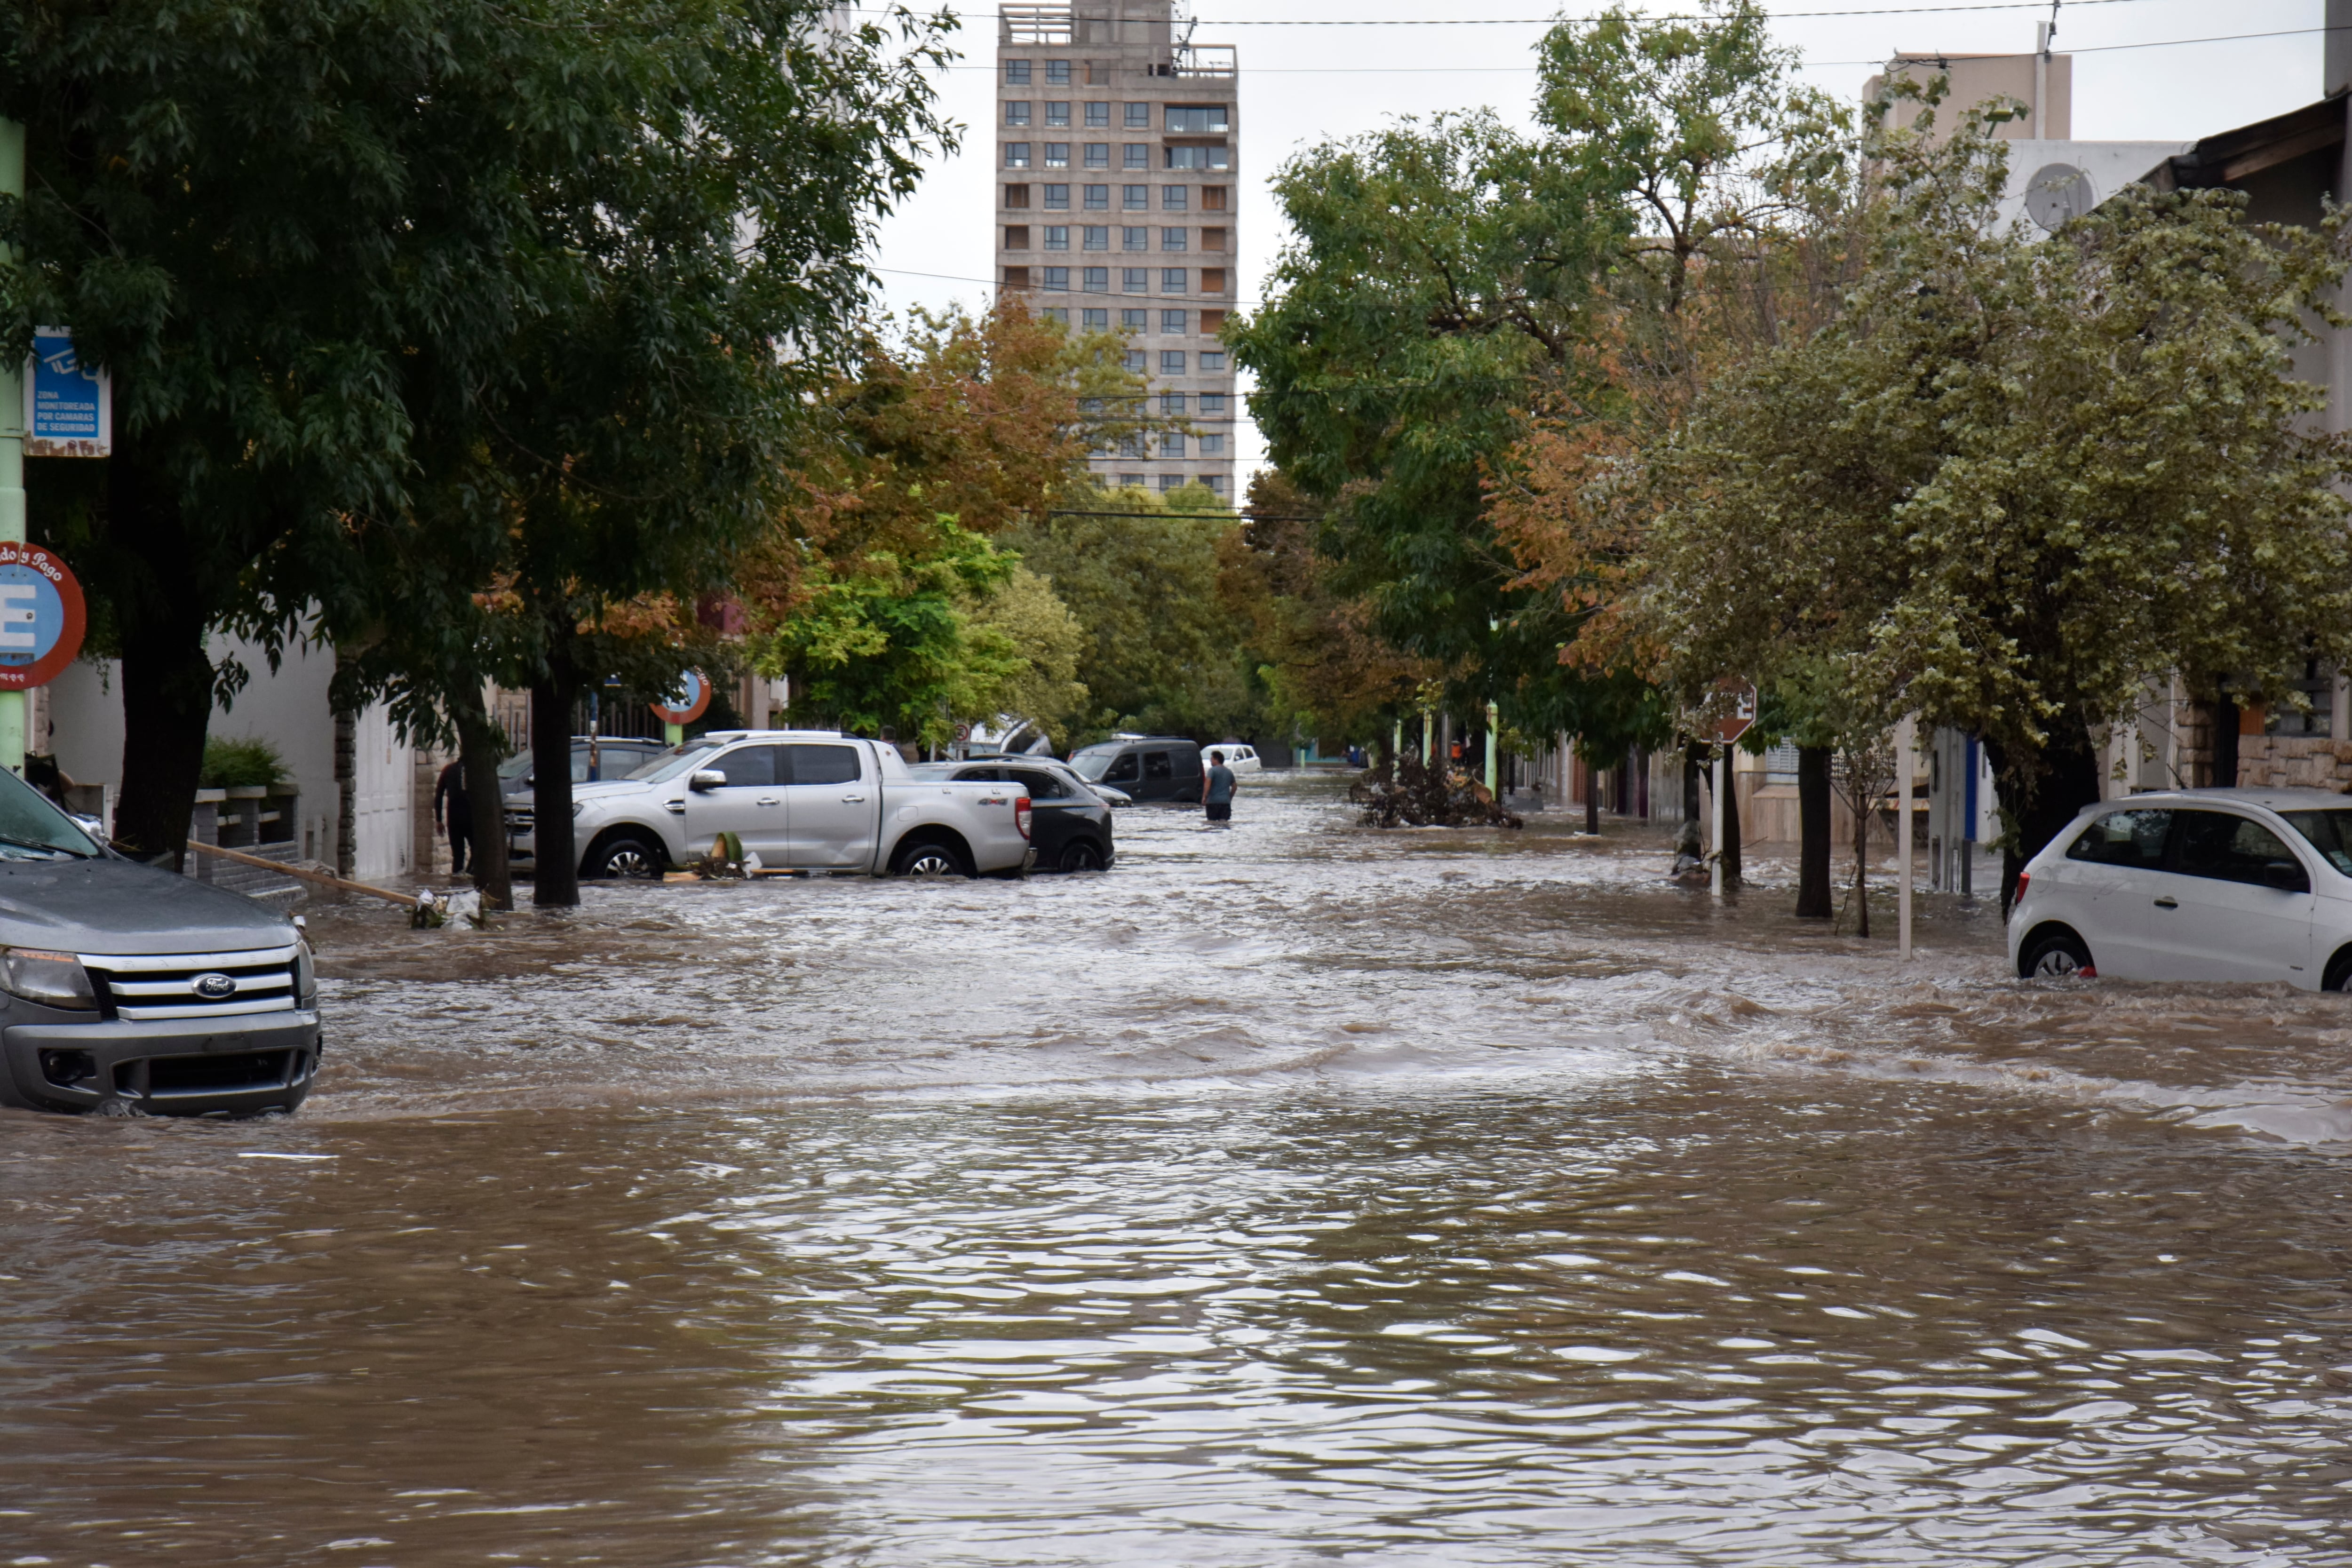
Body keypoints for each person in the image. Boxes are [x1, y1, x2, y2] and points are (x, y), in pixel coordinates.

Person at [434, 757, 471, 876]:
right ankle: (469, 876)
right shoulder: (474, 772)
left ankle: (457, 883)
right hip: (471, 817)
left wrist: (439, 820)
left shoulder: (448, 770)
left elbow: (439, 795)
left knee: (458, 855)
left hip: (454, 818)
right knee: (478, 851)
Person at [1202, 749, 1237, 824]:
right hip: (1225, 803)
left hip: (1213, 803)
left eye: (1212, 759)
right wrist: (1229, 797)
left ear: (1216, 760)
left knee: (1212, 824)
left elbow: (1208, 783)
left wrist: (1205, 797)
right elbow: (1234, 787)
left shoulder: (1212, 771)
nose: (1210, 761)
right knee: (1224, 824)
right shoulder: (1229, 772)